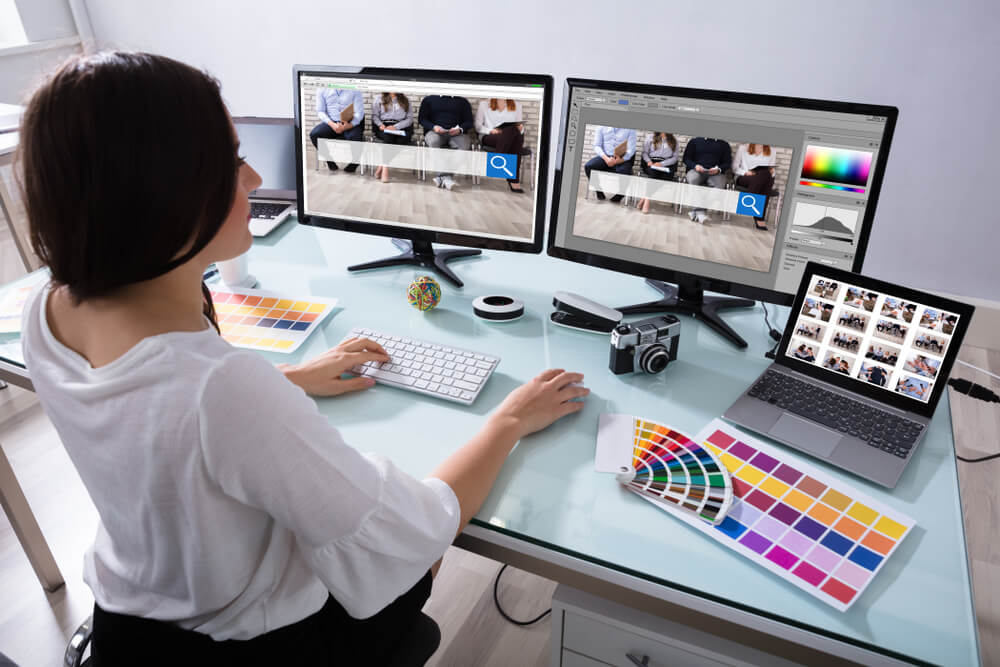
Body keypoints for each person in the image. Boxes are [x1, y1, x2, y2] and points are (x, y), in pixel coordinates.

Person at [16, 52, 589, 664]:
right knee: (418, 541)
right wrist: (508, 421)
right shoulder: (221, 390)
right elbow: (406, 531)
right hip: (248, 642)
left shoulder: (47, 309)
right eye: (233, 163)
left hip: (129, 622)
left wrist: (289, 377)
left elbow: (158, 414)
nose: (257, 181)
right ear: (164, 192)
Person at [418, 94, 474, 191]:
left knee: (465, 145)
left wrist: (460, 129)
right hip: (434, 132)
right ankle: (446, 178)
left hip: (456, 134)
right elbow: (422, 119)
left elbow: (469, 121)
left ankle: (442, 177)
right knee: (433, 141)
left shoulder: (462, 101)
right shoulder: (429, 99)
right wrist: (434, 127)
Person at [475, 98, 525, 193]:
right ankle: (514, 180)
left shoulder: (517, 105)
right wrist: (491, 130)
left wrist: (521, 128)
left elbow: (520, 128)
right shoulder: (484, 104)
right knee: (514, 136)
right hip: (490, 136)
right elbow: (478, 126)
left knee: (513, 131)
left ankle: (497, 161)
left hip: (511, 137)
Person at [309, 85, 364, 172]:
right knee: (314, 134)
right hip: (332, 123)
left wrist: (348, 126)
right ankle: (329, 160)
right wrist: (332, 124)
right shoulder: (322, 89)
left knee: (356, 137)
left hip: (349, 123)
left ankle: (355, 163)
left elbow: (359, 113)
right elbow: (320, 111)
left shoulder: (355, 90)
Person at [682, 137, 732, 223]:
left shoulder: (724, 144)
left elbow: (727, 162)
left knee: (719, 186)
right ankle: (700, 212)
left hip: (716, 173)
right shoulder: (694, 141)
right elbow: (686, 159)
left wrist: (719, 169)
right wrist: (695, 166)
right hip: (696, 170)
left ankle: (697, 211)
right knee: (693, 179)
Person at [584, 126, 637, 202]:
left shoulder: (630, 129)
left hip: (622, 158)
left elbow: (631, 150)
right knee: (588, 166)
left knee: (624, 171)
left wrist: (617, 161)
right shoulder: (601, 127)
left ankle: (620, 194)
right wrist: (607, 159)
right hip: (606, 157)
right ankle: (598, 190)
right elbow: (597, 146)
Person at [371, 92, 414, 184]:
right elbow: (375, 116)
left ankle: (381, 165)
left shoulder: (406, 100)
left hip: (400, 126)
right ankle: (385, 169)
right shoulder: (379, 98)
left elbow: (409, 119)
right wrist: (380, 125)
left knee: (403, 140)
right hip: (384, 126)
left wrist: (396, 127)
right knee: (388, 138)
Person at [732, 143, 776, 230]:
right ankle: (759, 218)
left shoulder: (772, 150)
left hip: (762, 179)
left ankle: (748, 201)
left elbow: (773, 171)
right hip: (744, 177)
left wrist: (772, 171)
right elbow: (734, 168)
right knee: (765, 178)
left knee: (765, 175)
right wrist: (745, 172)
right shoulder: (743, 148)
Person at [636, 132, 679, 213]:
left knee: (667, 177)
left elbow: (675, 158)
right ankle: (647, 201)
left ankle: (644, 198)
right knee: (653, 174)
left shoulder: (674, 140)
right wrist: (649, 161)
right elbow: (644, 153)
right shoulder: (650, 137)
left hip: (666, 163)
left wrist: (662, 164)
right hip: (652, 162)